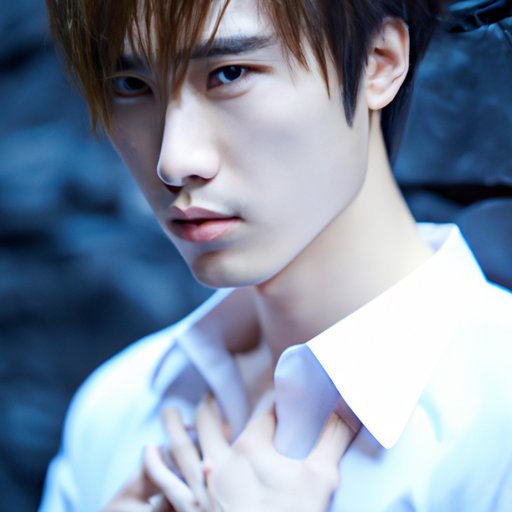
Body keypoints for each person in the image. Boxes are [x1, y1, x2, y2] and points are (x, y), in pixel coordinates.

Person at [39, 0, 512, 510]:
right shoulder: (116, 410)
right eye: (130, 85)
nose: (174, 161)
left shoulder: (496, 419)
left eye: (230, 74)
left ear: (379, 62)